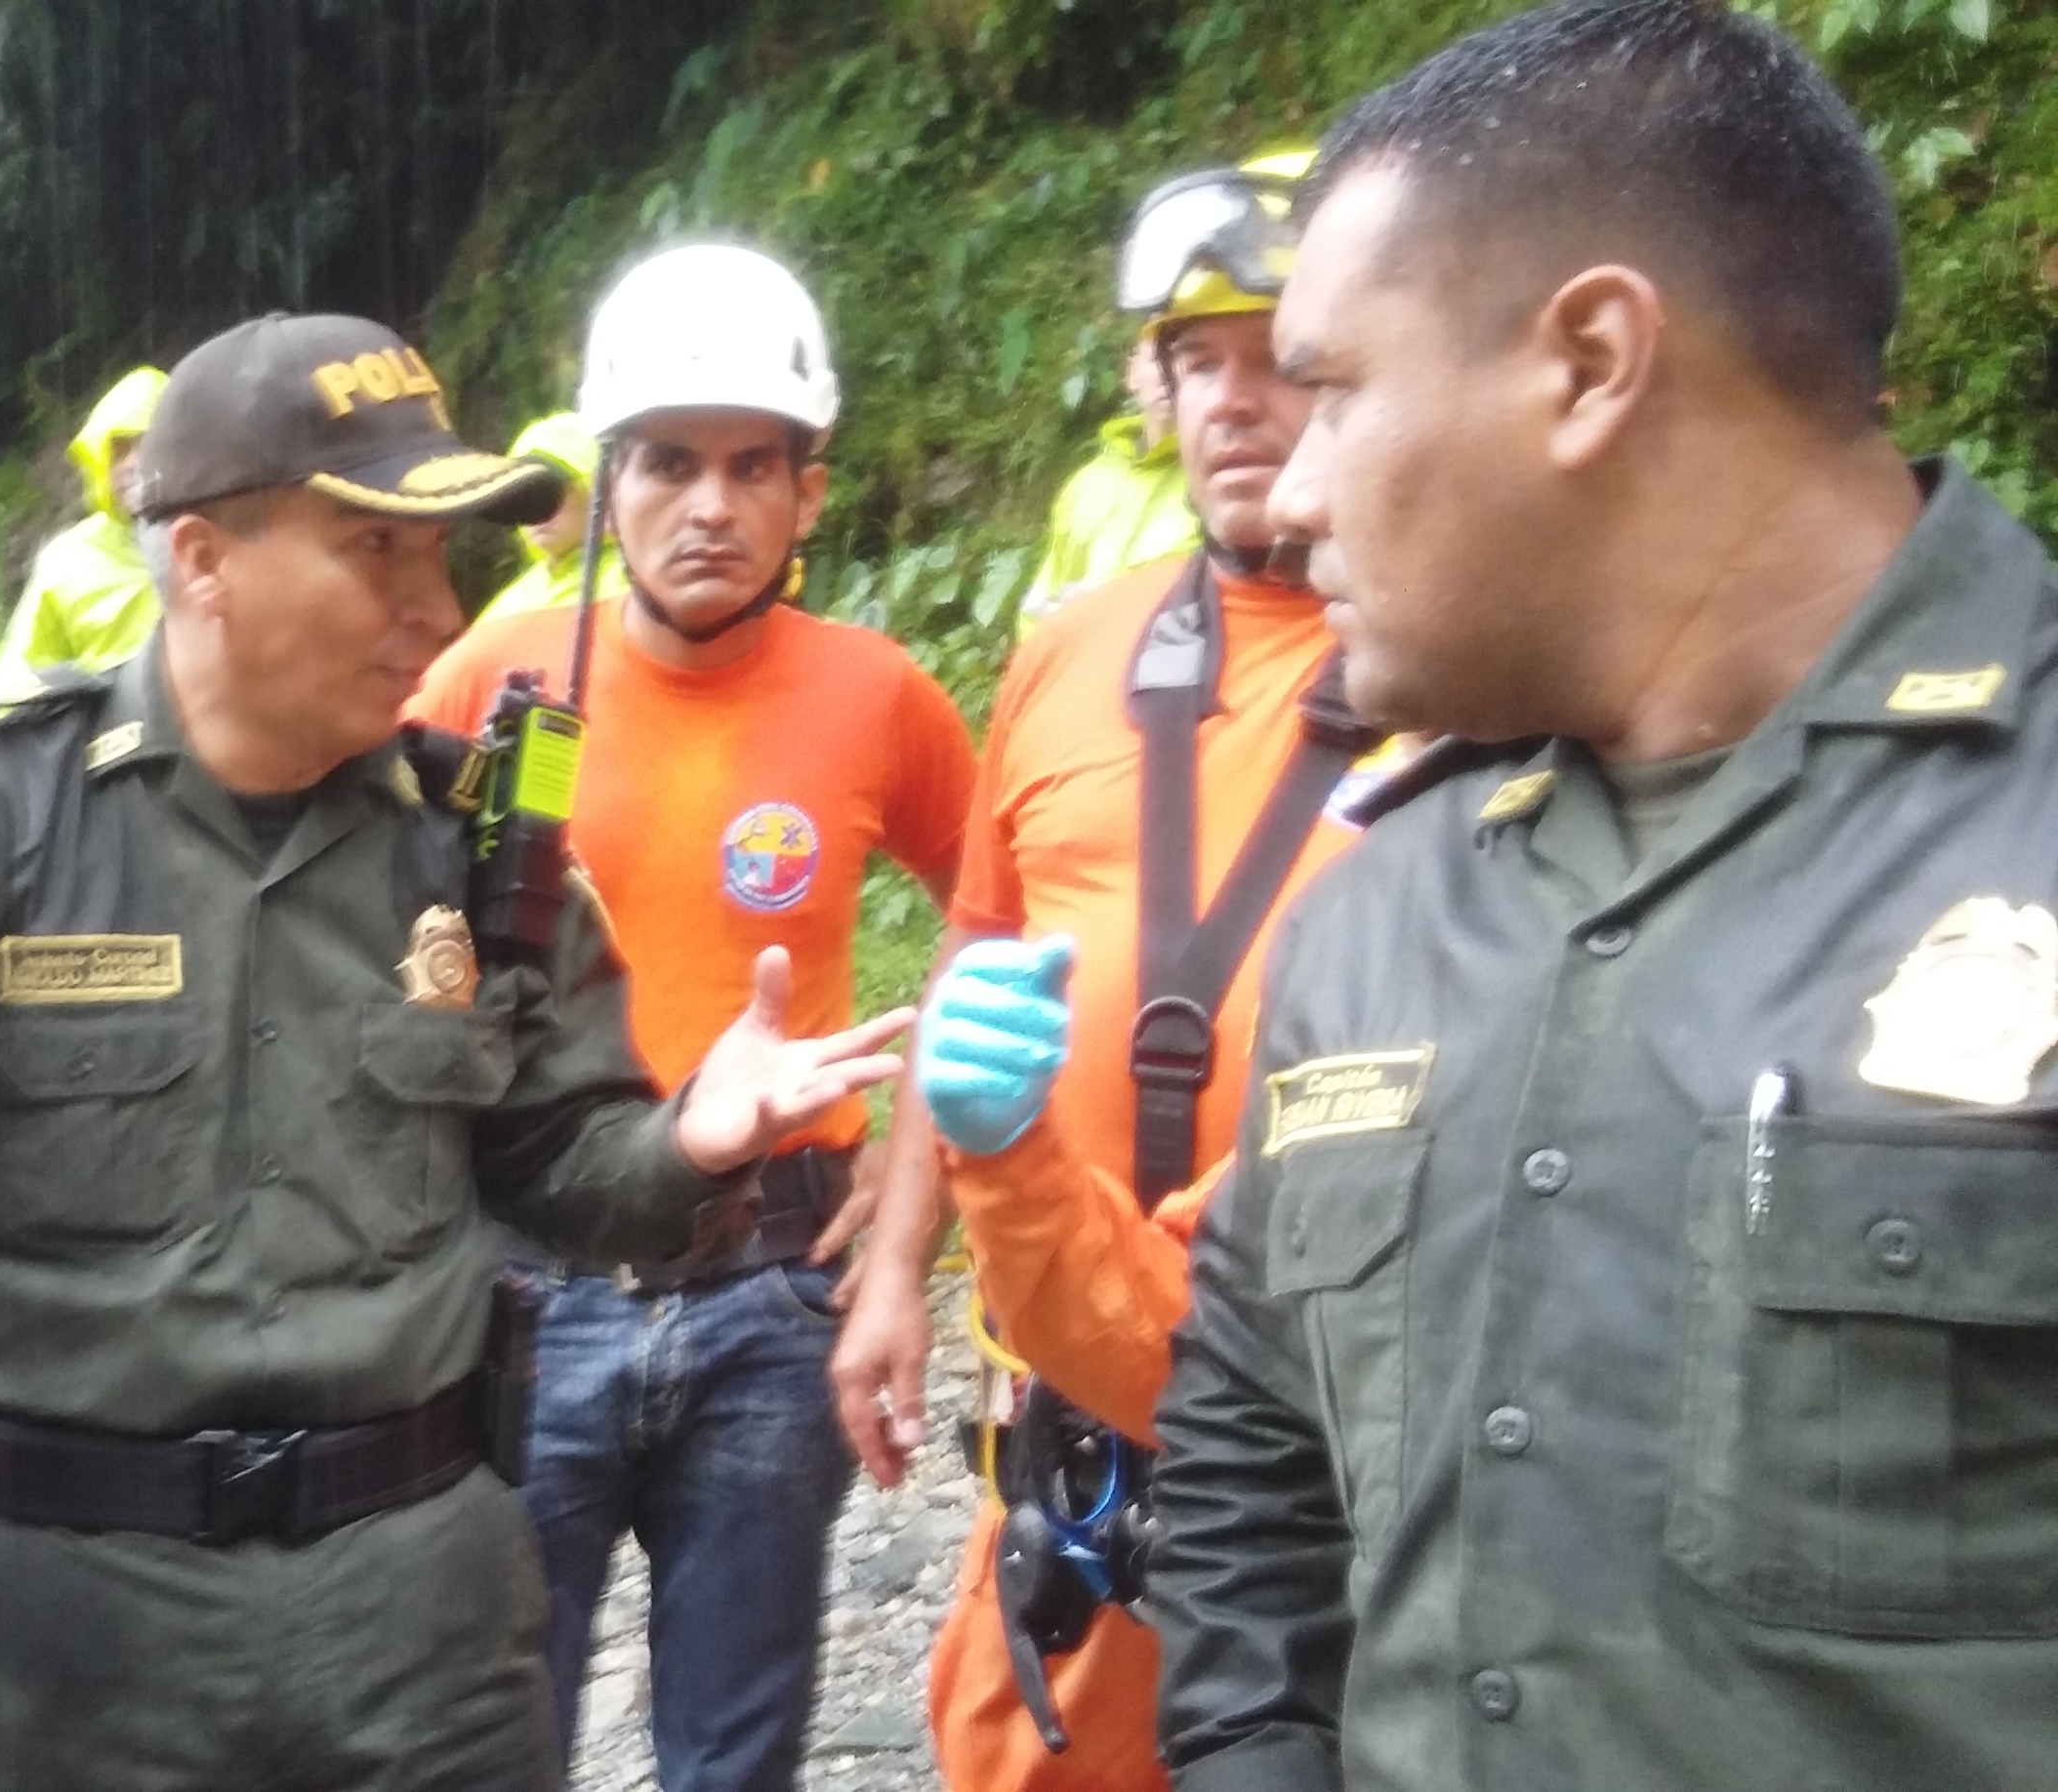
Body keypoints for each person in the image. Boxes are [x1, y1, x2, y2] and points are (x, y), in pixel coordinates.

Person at [0, 310, 916, 1792]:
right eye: (376, 549)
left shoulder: (473, 843)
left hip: (425, 1636)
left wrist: (694, 1147)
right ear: (204, 560)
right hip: (76, 1645)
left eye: (441, 556)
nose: (436, 611)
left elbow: (568, 1169)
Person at [1086, 5, 2058, 1787]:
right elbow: (1249, 1474)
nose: (1285, 494)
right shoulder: (1382, 905)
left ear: (1591, 361)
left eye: (1332, 389)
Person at [413, 243, 976, 1792]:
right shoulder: (493, 685)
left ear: (808, 494)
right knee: (488, 1737)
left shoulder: (876, 696)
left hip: (773, 1298)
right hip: (527, 1286)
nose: (709, 505)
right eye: (668, 462)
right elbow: (361, 914)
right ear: (609, 483)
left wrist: (908, 1181)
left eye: (751, 466)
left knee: (738, 1753)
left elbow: (998, 917)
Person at [879, 145, 1387, 1792]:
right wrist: (891, 1271)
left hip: (1329, 1452)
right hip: (1071, 1460)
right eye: (1196, 360)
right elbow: (971, 958)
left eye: (1279, 354)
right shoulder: (1066, 652)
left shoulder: (1465, 675)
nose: (1235, 399)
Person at [0, 364, 169, 677]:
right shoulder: (69, 561)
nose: (133, 464)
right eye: (119, 450)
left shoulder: (231, 534)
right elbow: (19, 679)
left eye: (147, 444)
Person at [1012, 342, 1197, 631]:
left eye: (1182, 356)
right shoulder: (1087, 485)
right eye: (1156, 358)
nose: (1168, 372)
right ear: (1131, 373)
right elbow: (1039, 606)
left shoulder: (1222, 484)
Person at [480, 411, 629, 620]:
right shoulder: (512, 601)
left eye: (551, 491)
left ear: (597, 488)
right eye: (523, 492)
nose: (536, 508)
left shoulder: (635, 590)